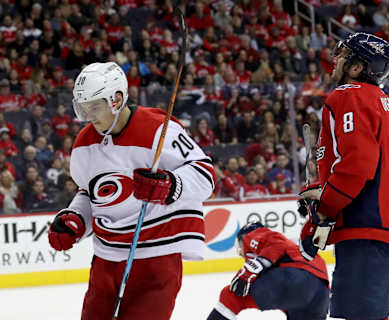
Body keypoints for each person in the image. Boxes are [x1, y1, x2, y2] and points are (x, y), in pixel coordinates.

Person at [47, 62, 215, 320]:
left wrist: (170, 185)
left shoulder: (159, 129)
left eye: (94, 106)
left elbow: (205, 176)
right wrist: (76, 220)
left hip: (156, 258)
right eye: (83, 108)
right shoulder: (83, 144)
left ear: (116, 99)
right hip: (106, 260)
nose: (89, 116)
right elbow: (90, 194)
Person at [298, 33, 389, 320]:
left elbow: (357, 165)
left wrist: (325, 208)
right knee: (372, 314)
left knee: (362, 315)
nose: (336, 62)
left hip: (367, 222)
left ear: (356, 68)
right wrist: (323, 189)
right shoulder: (383, 100)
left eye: (343, 57)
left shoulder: (348, 94)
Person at [206, 222, 329, 320]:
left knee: (232, 295)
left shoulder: (253, 234)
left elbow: (276, 244)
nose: (242, 254)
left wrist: (249, 271)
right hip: (321, 294)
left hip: (295, 276)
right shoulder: (295, 249)